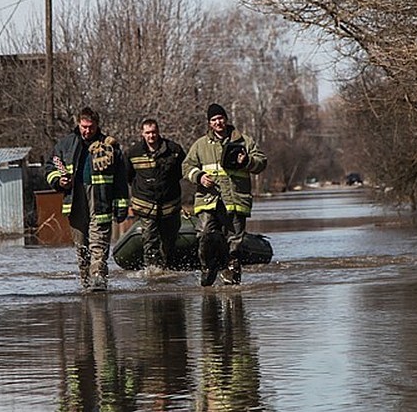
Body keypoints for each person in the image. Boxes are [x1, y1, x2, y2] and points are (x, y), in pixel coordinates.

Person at [182, 102, 267, 286]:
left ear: (226, 119)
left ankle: (232, 277)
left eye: (220, 118)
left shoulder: (244, 141)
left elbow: (261, 162)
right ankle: (207, 268)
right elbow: (186, 166)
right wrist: (199, 177)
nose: (217, 122)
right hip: (208, 199)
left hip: (235, 199)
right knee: (204, 235)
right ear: (209, 123)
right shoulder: (200, 145)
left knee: (234, 241)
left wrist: (247, 161)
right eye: (213, 120)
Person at [46, 107, 129, 291]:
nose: (87, 131)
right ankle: (85, 282)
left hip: (101, 200)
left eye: (91, 127)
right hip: (75, 199)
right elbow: (49, 168)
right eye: (84, 127)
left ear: (97, 125)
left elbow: (121, 179)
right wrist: (60, 181)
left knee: (98, 241)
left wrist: (121, 205)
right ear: (78, 124)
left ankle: (99, 278)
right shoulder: (65, 145)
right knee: (81, 245)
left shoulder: (109, 146)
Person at [124, 117, 187, 270]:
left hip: (170, 204)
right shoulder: (133, 152)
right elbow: (128, 175)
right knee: (149, 239)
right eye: (148, 133)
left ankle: (168, 269)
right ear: (142, 134)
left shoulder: (174, 150)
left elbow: (182, 171)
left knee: (170, 239)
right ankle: (152, 270)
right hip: (145, 203)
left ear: (158, 132)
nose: (151, 136)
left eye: (154, 132)